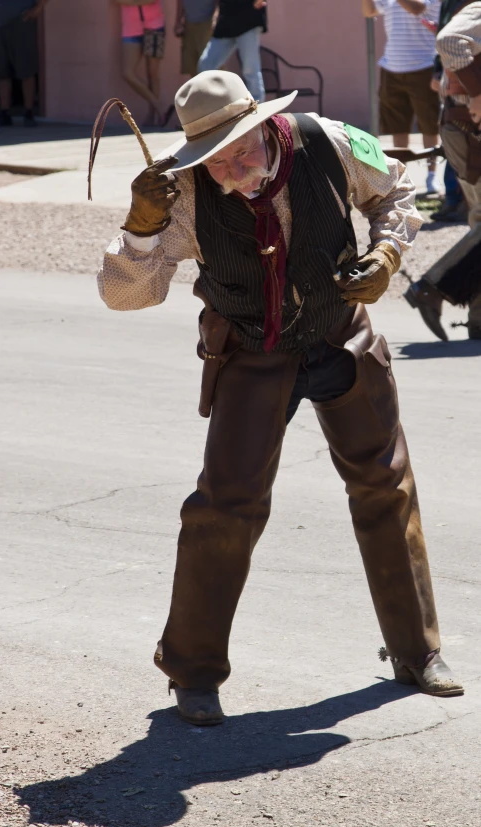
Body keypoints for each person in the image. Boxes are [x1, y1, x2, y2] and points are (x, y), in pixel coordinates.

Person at [97, 70, 463, 725]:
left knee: (386, 484)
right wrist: (139, 230)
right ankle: (192, 671)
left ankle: (416, 651)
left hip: (339, 335)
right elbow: (129, 294)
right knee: (224, 505)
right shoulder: (180, 193)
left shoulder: (329, 140)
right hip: (250, 349)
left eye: (242, 148)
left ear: (266, 126)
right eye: (215, 160)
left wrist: (385, 253)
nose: (233, 169)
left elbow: (399, 191)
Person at [404, 0, 481, 340]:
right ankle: (433, 286)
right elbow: (449, 43)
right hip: (470, 128)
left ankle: (478, 319)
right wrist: (478, 94)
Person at [362, 0, 442, 194]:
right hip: (392, 69)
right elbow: (370, 11)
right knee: (398, 128)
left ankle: (431, 176)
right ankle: (401, 178)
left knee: (429, 126)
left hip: (424, 67)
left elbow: (416, 8)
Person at [198, 0, 266, 103]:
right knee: (205, 65)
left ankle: (258, 110)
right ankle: (211, 107)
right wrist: (216, 14)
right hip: (226, 21)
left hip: (249, 19)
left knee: (250, 70)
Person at [0, 0, 48, 127]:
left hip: (21, 21)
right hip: (0, 25)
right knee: (2, 71)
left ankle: (28, 111)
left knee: (26, 68)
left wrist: (38, 8)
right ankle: (4, 112)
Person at [116, 0, 166, 127]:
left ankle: (153, 116)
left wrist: (133, 2)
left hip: (154, 25)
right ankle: (158, 105)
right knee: (128, 73)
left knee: (152, 74)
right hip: (131, 28)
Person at [175, 0, 218, 78]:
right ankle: (198, 89)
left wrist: (215, 16)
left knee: (209, 67)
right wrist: (178, 21)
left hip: (207, 23)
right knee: (192, 66)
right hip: (189, 24)